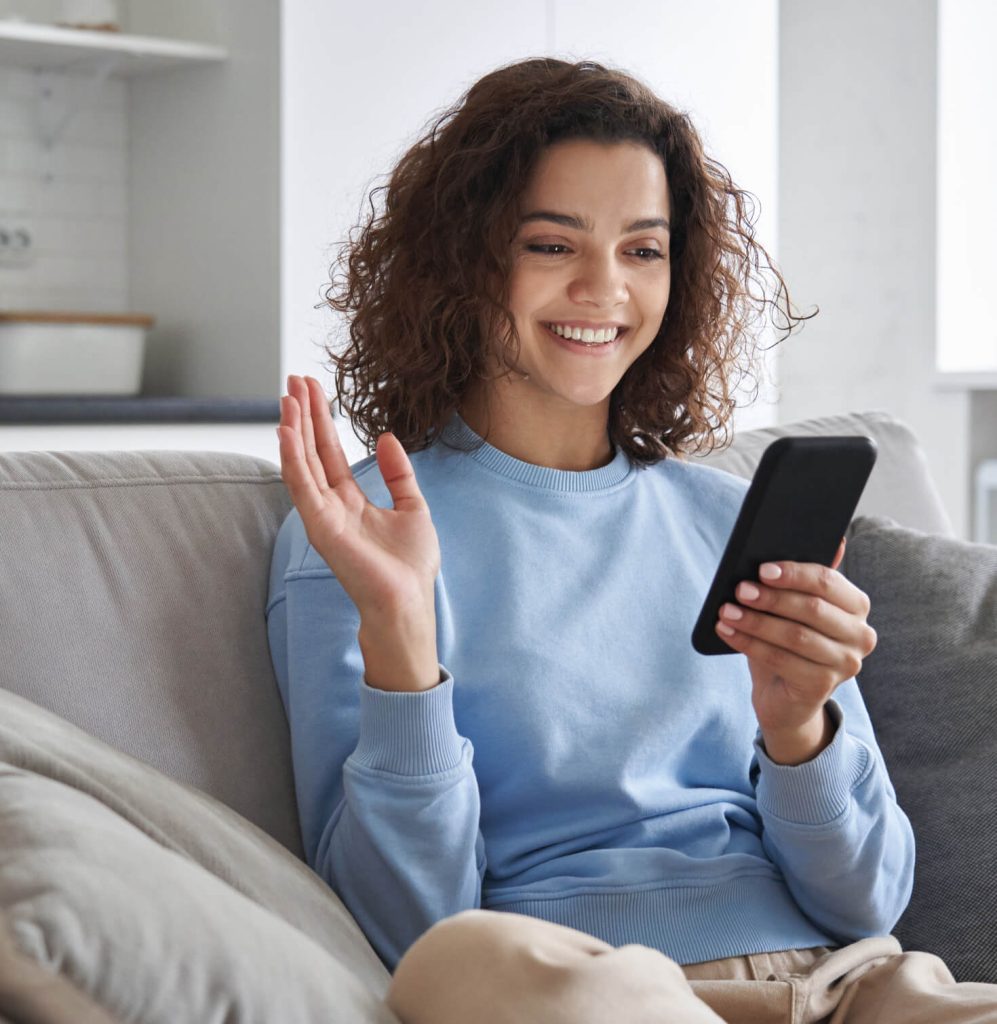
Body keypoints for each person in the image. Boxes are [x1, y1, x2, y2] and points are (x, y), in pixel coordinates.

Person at [267, 56, 997, 1024]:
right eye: (548, 243)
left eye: (643, 250)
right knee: (472, 957)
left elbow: (867, 900)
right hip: (593, 986)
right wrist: (401, 638)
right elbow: (408, 929)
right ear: (459, 261)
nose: (602, 289)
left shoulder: (723, 514)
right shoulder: (359, 537)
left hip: (844, 983)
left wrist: (797, 730)